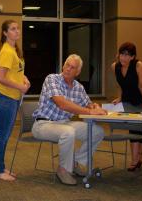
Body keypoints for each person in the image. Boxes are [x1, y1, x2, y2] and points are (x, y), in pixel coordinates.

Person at [32, 54, 107, 186]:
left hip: (65, 123)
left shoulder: (79, 87)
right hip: (43, 124)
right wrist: (90, 111)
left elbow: (88, 103)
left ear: (77, 72)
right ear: (63, 65)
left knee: (97, 131)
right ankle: (63, 170)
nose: (68, 69)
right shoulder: (52, 79)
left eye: (72, 68)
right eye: (67, 65)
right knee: (68, 132)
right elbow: (62, 104)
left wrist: (94, 106)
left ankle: (75, 162)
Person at [0, 20, 31, 181]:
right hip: (6, 98)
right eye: (13, 29)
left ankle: (0, 167)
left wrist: (24, 80)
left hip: (12, 98)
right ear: (5, 33)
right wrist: (20, 87)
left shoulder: (14, 50)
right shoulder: (7, 51)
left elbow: (16, 71)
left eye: (18, 28)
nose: (17, 31)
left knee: (5, 134)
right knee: (2, 135)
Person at [111, 42, 142, 172]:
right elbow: (120, 85)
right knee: (133, 128)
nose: (123, 58)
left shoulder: (139, 66)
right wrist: (120, 98)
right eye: (122, 54)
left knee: (141, 127)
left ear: (133, 57)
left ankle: (139, 156)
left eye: (127, 55)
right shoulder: (114, 66)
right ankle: (135, 159)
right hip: (128, 99)